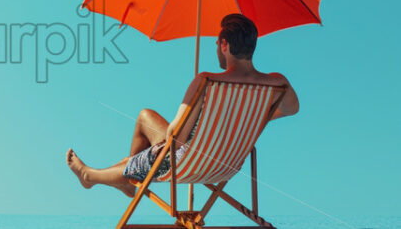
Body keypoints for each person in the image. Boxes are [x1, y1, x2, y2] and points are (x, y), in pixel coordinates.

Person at [66, 13, 300, 197]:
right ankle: (128, 178)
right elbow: (292, 109)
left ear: (225, 45)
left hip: (185, 163)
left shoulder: (207, 81)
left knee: (149, 148)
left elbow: (175, 135)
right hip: (226, 166)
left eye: (217, 42)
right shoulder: (276, 82)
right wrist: (253, 117)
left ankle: (94, 176)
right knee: (145, 116)